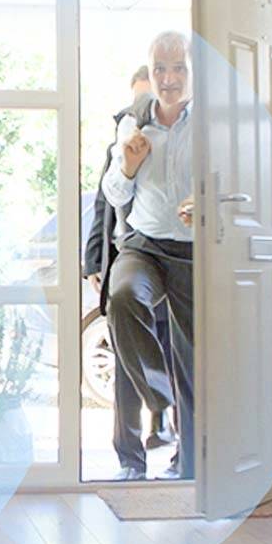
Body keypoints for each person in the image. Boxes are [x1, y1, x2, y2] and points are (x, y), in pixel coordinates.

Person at [102, 30, 196, 481]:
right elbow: (112, 192)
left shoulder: (212, 125)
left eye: (178, 67)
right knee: (122, 298)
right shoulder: (132, 124)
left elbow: (236, 186)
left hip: (195, 252)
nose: (169, 78)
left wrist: (208, 204)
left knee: (193, 355)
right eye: (161, 68)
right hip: (143, 244)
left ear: (192, 71)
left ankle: (191, 463)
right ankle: (162, 403)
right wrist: (127, 167)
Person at [85, 65, 177, 480]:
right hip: (128, 263)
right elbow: (102, 210)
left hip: (172, 270)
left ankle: (182, 455)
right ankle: (130, 461)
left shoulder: (178, 143)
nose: (142, 112)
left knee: (178, 360)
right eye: (137, 101)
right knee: (125, 368)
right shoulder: (120, 145)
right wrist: (92, 263)